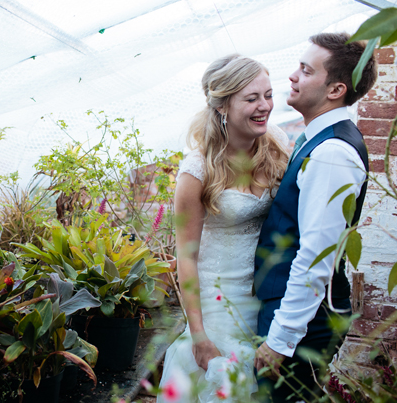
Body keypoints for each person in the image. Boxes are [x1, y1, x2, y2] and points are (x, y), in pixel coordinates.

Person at [253, 32, 378, 402]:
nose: (292, 76)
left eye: (306, 70)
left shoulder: (331, 153)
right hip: (289, 310)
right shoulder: (314, 137)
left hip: (302, 322)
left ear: (336, 89)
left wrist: (281, 340)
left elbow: (315, 258)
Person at [158, 54, 289, 403]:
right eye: (251, 99)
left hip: (264, 301)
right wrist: (199, 335)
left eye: (268, 94)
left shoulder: (276, 147)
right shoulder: (196, 171)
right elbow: (185, 259)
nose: (265, 106)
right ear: (222, 106)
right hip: (218, 308)